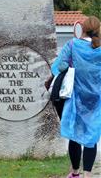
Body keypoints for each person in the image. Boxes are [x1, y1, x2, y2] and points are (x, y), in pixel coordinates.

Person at [51, 16, 101, 178]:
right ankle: (88, 174)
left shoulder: (72, 45)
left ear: (83, 29)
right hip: (96, 100)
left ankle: (75, 173)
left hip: (75, 97)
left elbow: (59, 67)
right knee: (91, 136)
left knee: (74, 133)